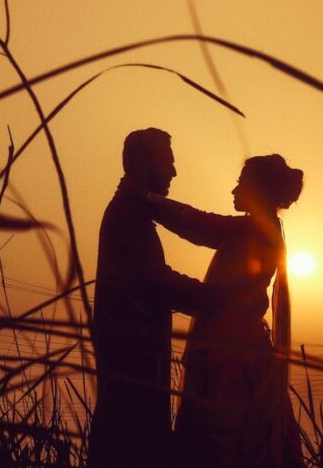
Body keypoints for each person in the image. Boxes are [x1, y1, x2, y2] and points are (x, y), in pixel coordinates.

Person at [146, 154, 305, 468]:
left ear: (258, 189)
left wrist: (151, 202)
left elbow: (201, 225)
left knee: (218, 441)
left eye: (241, 182)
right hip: (244, 347)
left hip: (227, 353)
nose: (234, 189)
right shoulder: (265, 228)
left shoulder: (253, 228)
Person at [89, 128, 225, 468]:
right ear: (141, 161)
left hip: (134, 367)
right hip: (133, 369)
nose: (175, 172)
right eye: (168, 162)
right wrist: (215, 299)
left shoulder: (133, 210)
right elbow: (156, 281)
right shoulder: (127, 215)